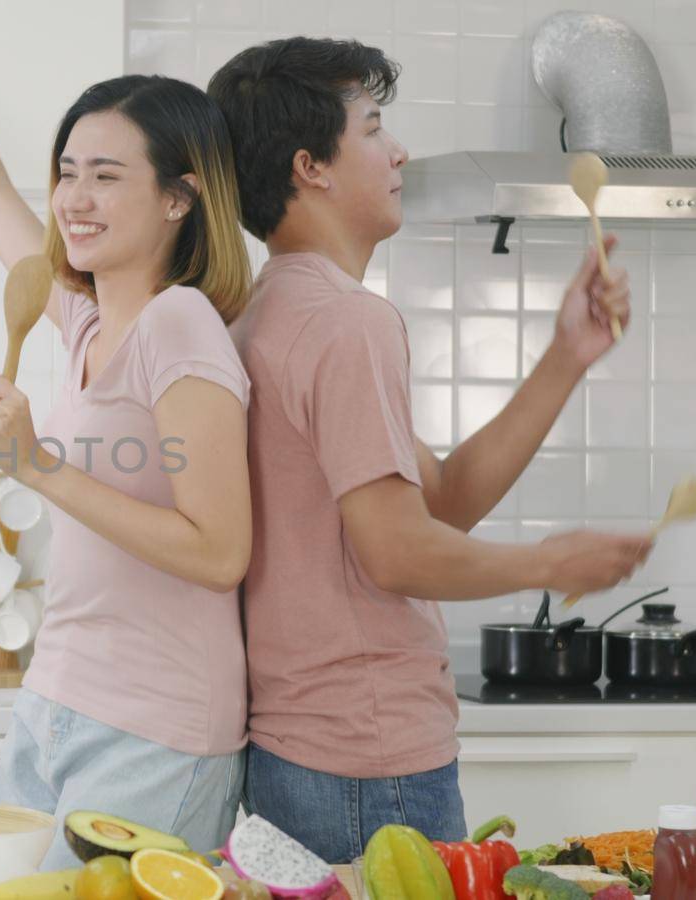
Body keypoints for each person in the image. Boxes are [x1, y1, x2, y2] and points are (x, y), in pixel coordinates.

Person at [207, 37, 653, 862]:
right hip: (369, 760)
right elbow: (397, 552)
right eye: (374, 128)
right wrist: (546, 565)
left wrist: (566, 355)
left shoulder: (273, 312)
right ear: (312, 167)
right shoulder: (346, 323)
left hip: (306, 750)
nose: (399, 149)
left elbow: (436, 498)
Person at [0, 0, 256, 868]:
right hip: (54, 704)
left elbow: (222, 549)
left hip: (154, 729)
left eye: (107, 176)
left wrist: (36, 465)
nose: (74, 198)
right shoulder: (83, 320)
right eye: (68, 171)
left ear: (180, 198)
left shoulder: (179, 323)